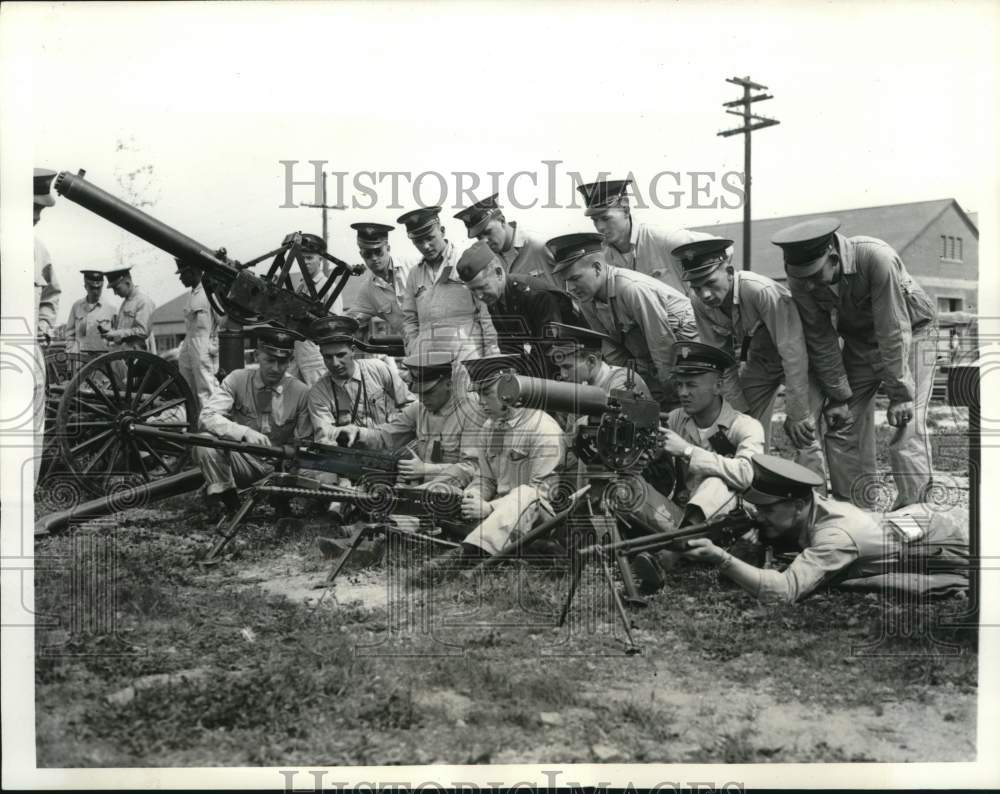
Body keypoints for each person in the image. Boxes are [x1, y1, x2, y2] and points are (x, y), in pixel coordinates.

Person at [772, 218, 938, 510]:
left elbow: (893, 328)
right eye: (803, 278)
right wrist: (838, 396)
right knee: (841, 424)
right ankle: (856, 513)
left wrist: (900, 394)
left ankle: (917, 514)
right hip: (860, 342)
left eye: (814, 275)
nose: (808, 284)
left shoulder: (877, 258)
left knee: (906, 426)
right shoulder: (799, 276)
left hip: (913, 335)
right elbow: (820, 338)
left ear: (834, 259)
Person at [681, 455, 969, 604]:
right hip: (910, 520)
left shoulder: (835, 537)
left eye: (769, 509)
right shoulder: (813, 509)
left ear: (797, 505)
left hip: (949, 535)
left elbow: (782, 593)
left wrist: (722, 558)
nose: (760, 515)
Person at [674, 237, 825, 481]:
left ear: (730, 271)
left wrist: (796, 412)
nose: (705, 294)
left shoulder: (758, 290)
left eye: (711, 283)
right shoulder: (699, 301)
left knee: (804, 431)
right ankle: (753, 488)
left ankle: (813, 501)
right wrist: (739, 411)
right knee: (732, 422)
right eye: (696, 286)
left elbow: (793, 352)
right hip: (762, 360)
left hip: (803, 358)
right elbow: (720, 361)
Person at [411, 354, 565, 580]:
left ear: (509, 390)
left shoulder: (542, 428)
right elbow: (486, 479)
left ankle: (462, 555)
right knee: (444, 495)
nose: (481, 402)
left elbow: (542, 494)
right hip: (496, 516)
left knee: (526, 493)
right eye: (478, 394)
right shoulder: (489, 427)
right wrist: (472, 496)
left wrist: (489, 509)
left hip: (536, 517)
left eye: (486, 394)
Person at [629, 342, 766, 592]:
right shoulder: (677, 418)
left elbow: (748, 475)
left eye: (691, 385)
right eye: (679, 384)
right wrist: (651, 457)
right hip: (682, 513)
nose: (683, 392)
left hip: (730, 522)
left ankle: (666, 557)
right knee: (628, 485)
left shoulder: (745, 426)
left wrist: (687, 451)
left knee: (716, 482)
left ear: (718, 386)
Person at [548, 231, 699, 411]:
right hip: (653, 361)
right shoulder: (586, 297)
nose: (570, 288)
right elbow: (613, 351)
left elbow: (663, 346)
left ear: (597, 268)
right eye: (566, 282)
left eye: (574, 279)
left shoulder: (631, 288)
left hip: (689, 357)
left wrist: (671, 402)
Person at [194, 326, 313, 515]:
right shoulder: (237, 379)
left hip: (278, 467)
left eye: (282, 362)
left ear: (290, 362)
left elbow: (306, 441)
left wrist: (290, 462)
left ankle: (281, 501)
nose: (275, 368)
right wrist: (244, 433)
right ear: (257, 356)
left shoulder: (301, 392)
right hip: (243, 460)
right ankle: (229, 502)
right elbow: (207, 416)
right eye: (269, 360)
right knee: (205, 442)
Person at [334, 350, 481, 484]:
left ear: (448, 384)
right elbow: (388, 435)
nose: (423, 399)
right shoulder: (420, 408)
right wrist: (358, 432)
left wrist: (426, 469)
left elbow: (473, 467)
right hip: (423, 493)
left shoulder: (471, 412)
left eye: (429, 392)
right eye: (420, 393)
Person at [456, 240, 581, 378]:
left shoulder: (534, 295)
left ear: (498, 273)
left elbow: (550, 350)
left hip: (576, 363)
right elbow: (510, 349)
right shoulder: (495, 300)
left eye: (482, 287)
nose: (479, 295)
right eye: (473, 290)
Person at [398, 206, 498, 361]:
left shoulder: (465, 261)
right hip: (427, 362)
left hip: (466, 357)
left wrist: (492, 356)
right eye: (418, 241)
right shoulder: (414, 274)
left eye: (430, 238)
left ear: (442, 231)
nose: (425, 246)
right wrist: (413, 348)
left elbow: (485, 314)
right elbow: (409, 319)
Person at [577, 178, 709, 293]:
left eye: (606, 218)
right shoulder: (603, 259)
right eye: (594, 220)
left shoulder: (662, 239)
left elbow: (723, 249)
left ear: (626, 210)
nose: (600, 227)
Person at [305, 315, 412, 444]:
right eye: (328, 357)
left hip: (388, 446)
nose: (335, 363)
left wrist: (397, 428)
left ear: (353, 350)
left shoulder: (378, 369)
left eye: (340, 355)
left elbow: (410, 405)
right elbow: (325, 437)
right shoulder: (318, 393)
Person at [453, 192, 558, 287]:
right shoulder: (489, 260)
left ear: (502, 221)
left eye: (488, 232)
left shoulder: (539, 246)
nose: (484, 241)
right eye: (479, 237)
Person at [33, 168, 62, 487]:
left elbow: (51, 294)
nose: (38, 216)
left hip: (30, 354)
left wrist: (44, 323)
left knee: (30, 431)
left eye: (41, 209)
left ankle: (22, 499)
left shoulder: (38, 249)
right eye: (34, 208)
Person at [346, 222, 412, 339]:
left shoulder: (413, 267)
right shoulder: (367, 291)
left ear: (388, 248)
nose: (374, 258)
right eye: (368, 254)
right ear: (361, 254)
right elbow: (350, 320)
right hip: (413, 345)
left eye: (378, 252)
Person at [175, 258, 219, 406]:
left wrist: (213, 347)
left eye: (183, 274)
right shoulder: (192, 295)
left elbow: (222, 322)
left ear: (193, 272)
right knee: (187, 388)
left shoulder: (210, 292)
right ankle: (193, 423)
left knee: (206, 390)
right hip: (189, 343)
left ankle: (211, 425)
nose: (180, 278)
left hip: (204, 345)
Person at [288, 232, 329, 385]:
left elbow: (334, 325)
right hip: (297, 355)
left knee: (320, 400)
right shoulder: (301, 285)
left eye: (310, 258)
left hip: (315, 358)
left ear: (320, 259)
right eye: (302, 258)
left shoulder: (327, 287)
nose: (305, 262)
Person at [64, 269, 116, 372]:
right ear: (85, 287)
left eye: (99, 288)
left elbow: (116, 336)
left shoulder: (111, 309)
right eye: (92, 288)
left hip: (102, 360)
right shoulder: (77, 306)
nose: (96, 291)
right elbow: (70, 333)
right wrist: (71, 351)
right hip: (79, 360)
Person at [102, 267, 156, 352]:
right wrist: (110, 334)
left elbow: (143, 331)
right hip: (124, 353)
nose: (115, 293)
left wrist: (116, 333)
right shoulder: (126, 302)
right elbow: (122, 332)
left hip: (137, 357)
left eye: (117, 288)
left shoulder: (144, 302)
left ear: (127, 283)